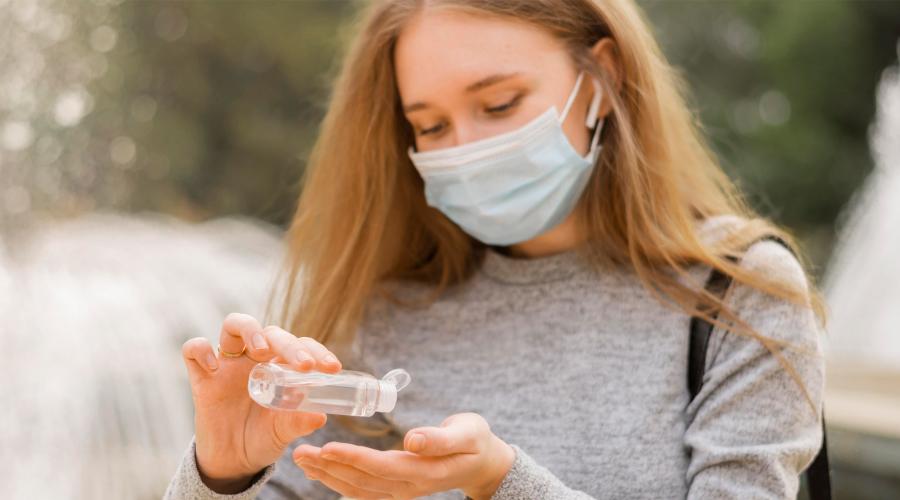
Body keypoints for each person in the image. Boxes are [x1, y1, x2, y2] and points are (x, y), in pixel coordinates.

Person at [164, 0, 826, 498]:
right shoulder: (385, 309)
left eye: (500, 105)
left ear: (600, 77)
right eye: (430, 125)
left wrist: (504, 482)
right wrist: (223, 469)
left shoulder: (736, 295)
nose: (466, 152)